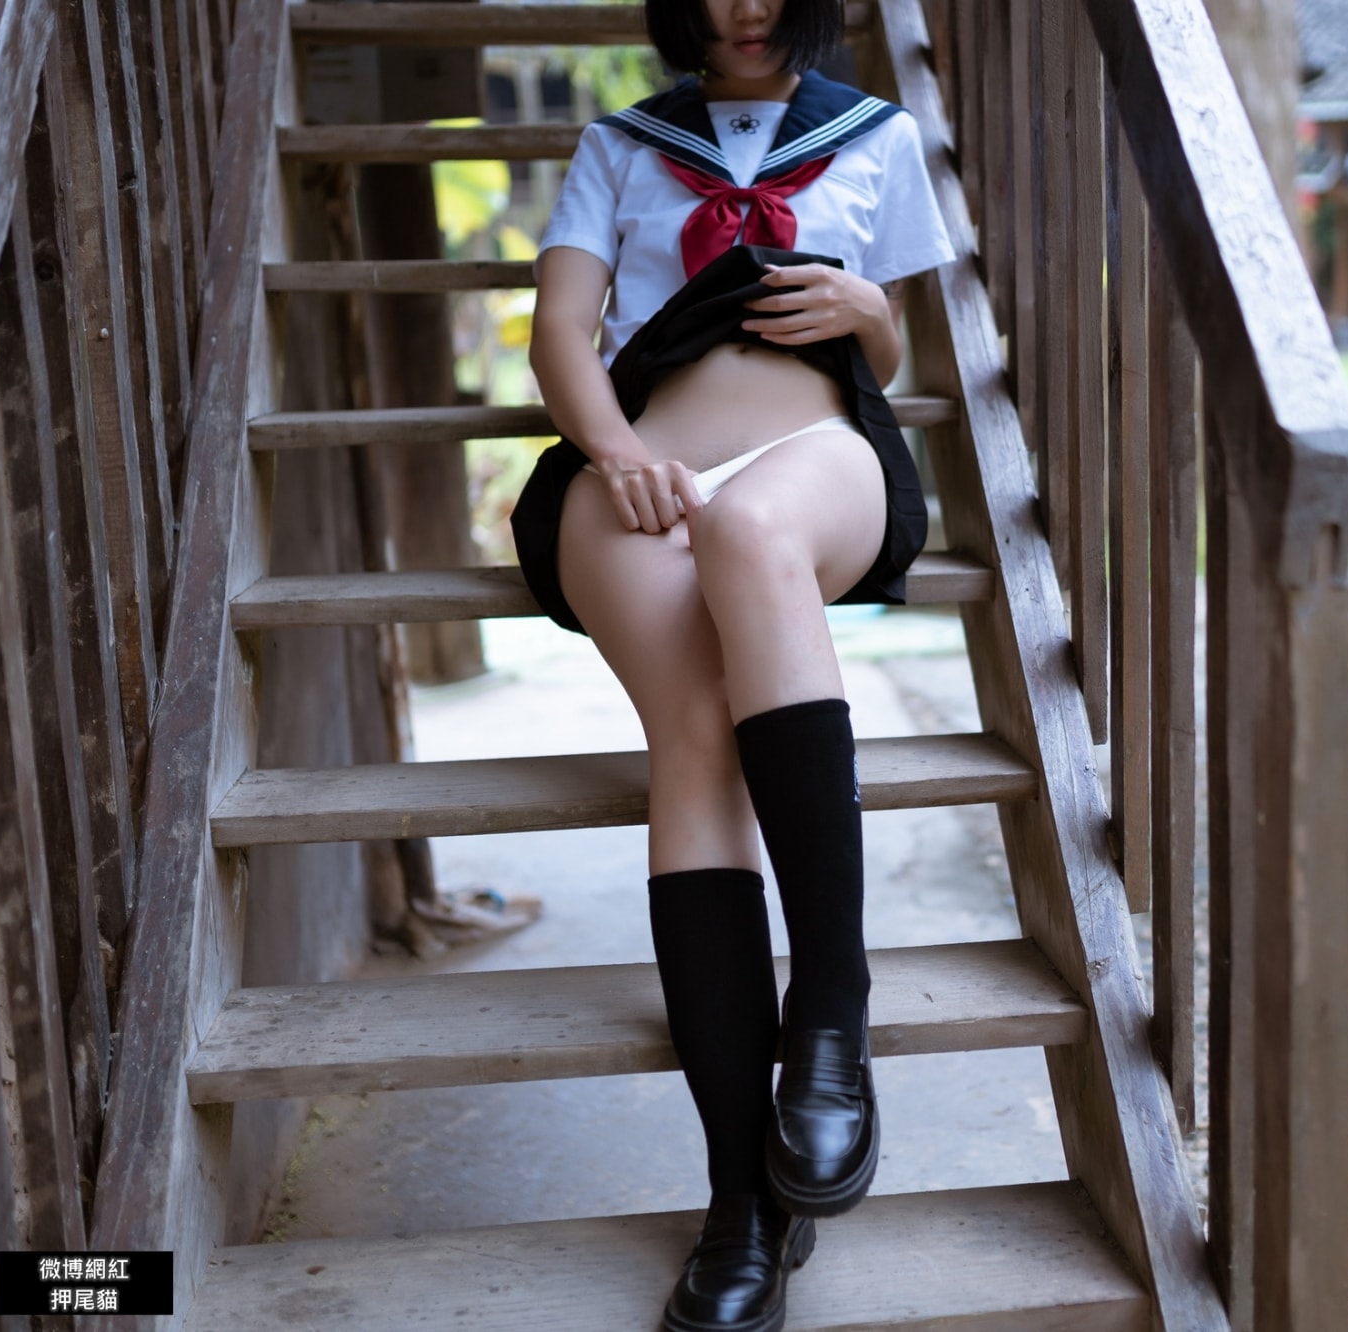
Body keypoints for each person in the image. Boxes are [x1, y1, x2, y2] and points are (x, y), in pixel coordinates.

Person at [512, 0, 954, 1327]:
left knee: (750, 531)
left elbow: (890, 354)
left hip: (816, 459)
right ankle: (740, 1203)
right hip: (637, 476)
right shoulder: (620, 145)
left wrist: (868, 309)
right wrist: (615, 454)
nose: (745, 4)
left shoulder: (876, 135)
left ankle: (831, 1011)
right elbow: (560, 332)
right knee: (693, 744)